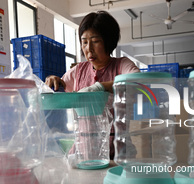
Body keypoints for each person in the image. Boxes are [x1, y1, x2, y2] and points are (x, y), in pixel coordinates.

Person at [45, 10, 140, 159]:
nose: (89, 48)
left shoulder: (121, 65)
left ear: (108, 41)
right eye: (84, 42)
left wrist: (101, 87)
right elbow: (58, 91)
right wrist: (53, 81)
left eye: (95, 41)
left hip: (118, 152)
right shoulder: (78, 71)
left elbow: (138, 82)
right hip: (83, 152)